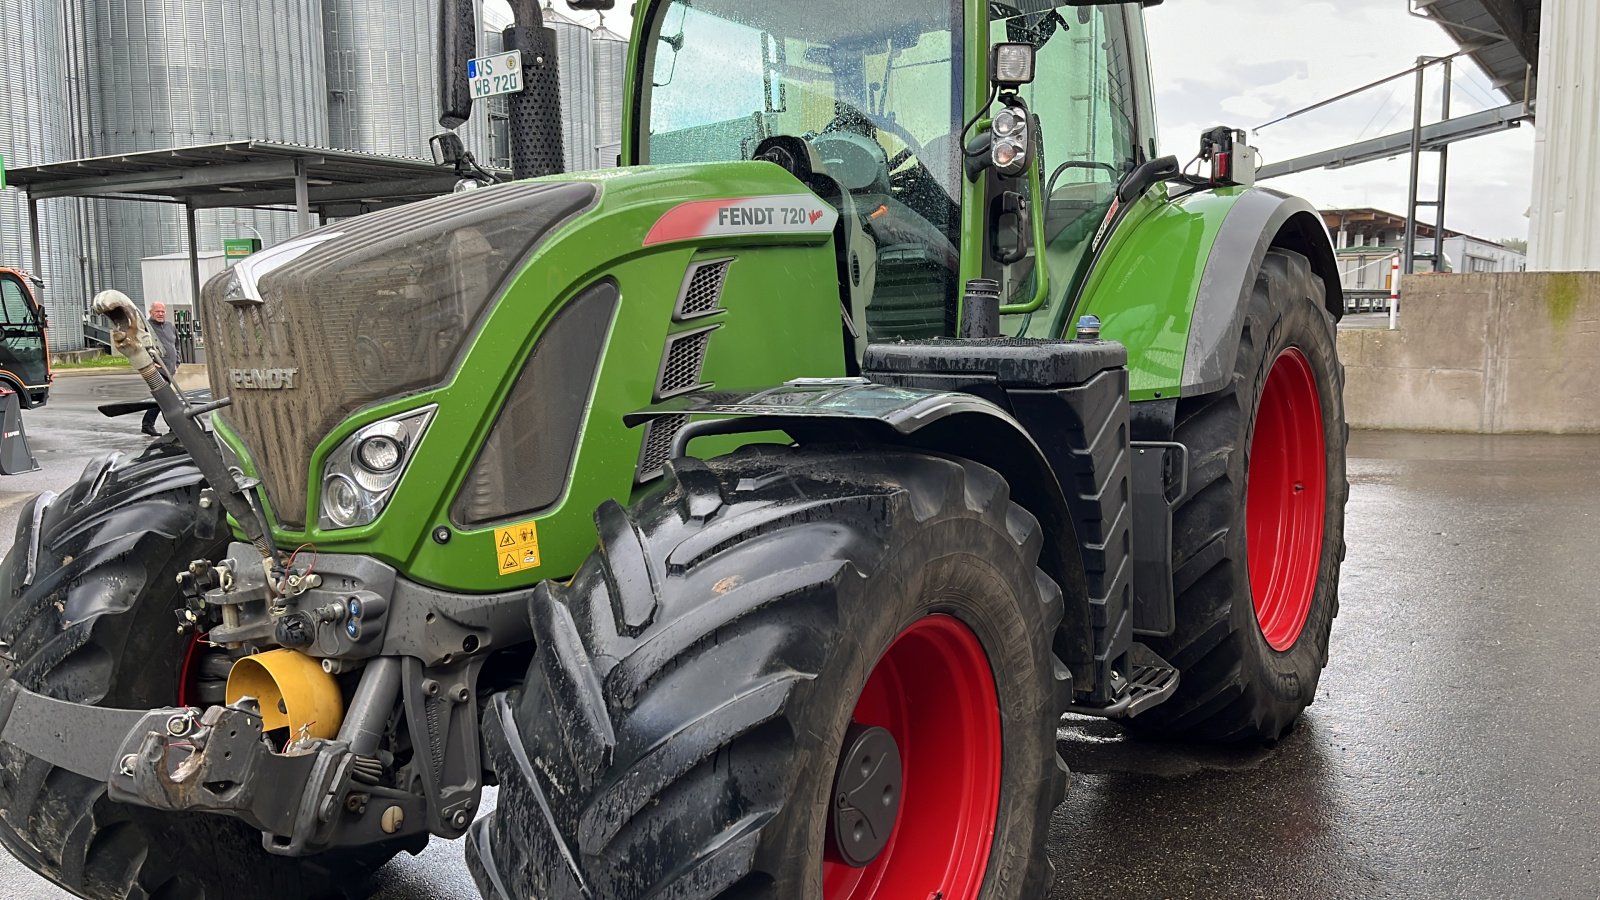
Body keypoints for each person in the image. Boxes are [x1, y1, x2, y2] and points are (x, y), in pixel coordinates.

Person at [142, 301, 179, 437]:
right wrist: (150, 362)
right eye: (157, 311)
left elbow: (176, 345)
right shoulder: (145, 328)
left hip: (169, 369)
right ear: (151, 312)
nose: (160, 314)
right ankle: (173, 427)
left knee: (161, 399)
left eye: (162, 311)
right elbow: (140, 347)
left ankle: (147, 424)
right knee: (166, 398)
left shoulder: (170, 327)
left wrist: (177, 361)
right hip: (157, 371)